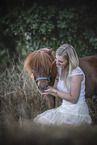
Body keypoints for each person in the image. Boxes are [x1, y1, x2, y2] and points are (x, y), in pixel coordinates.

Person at [32, 44, 92, 127]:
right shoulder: (60, 70)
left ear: (69, 60)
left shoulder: (76, 73)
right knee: (36, 120)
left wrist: (54, 91)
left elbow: (74, 99)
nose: (57, 63)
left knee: (42, 123)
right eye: (56, 59)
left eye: (61, 61)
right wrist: (41, 87)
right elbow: (55, 91)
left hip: (76, 111)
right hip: (64, 109)